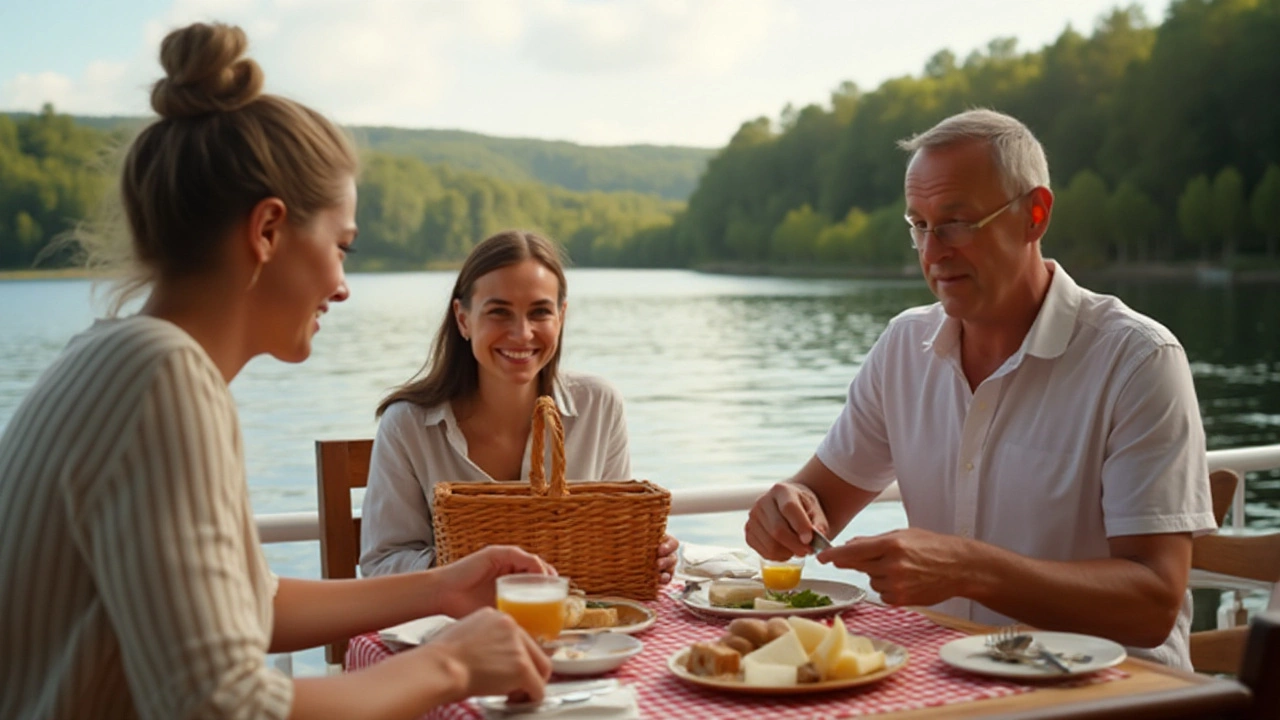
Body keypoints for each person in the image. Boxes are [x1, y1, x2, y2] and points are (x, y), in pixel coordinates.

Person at [0, 23, 555, 720]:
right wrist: (453, 664)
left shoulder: (115, 357)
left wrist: (442, 588)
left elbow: (249, 601)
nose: (343, 285)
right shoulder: (163, 382)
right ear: (266, 231)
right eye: (342, 247)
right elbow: (224, 705)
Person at [744, 109, 1214, 669]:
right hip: (949, 681)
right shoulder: (903, 347)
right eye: (918, 224)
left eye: (957, 222)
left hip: (1110, 694)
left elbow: (1153, 605)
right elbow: (818, 500)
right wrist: (786, 513)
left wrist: (969, 569)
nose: (932, 251)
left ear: (1034, 215)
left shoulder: (1138, 360)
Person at [360, 230, 679, 583]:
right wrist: (470, 573)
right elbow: (382, 562)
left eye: (540, 312)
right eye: (499, 312)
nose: (522, 333)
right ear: (463, 319)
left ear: (561, 317)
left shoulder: (600, 407)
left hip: (577, 628)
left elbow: (612, 535)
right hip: (456, 628)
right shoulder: (406, 425)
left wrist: (645, 554)